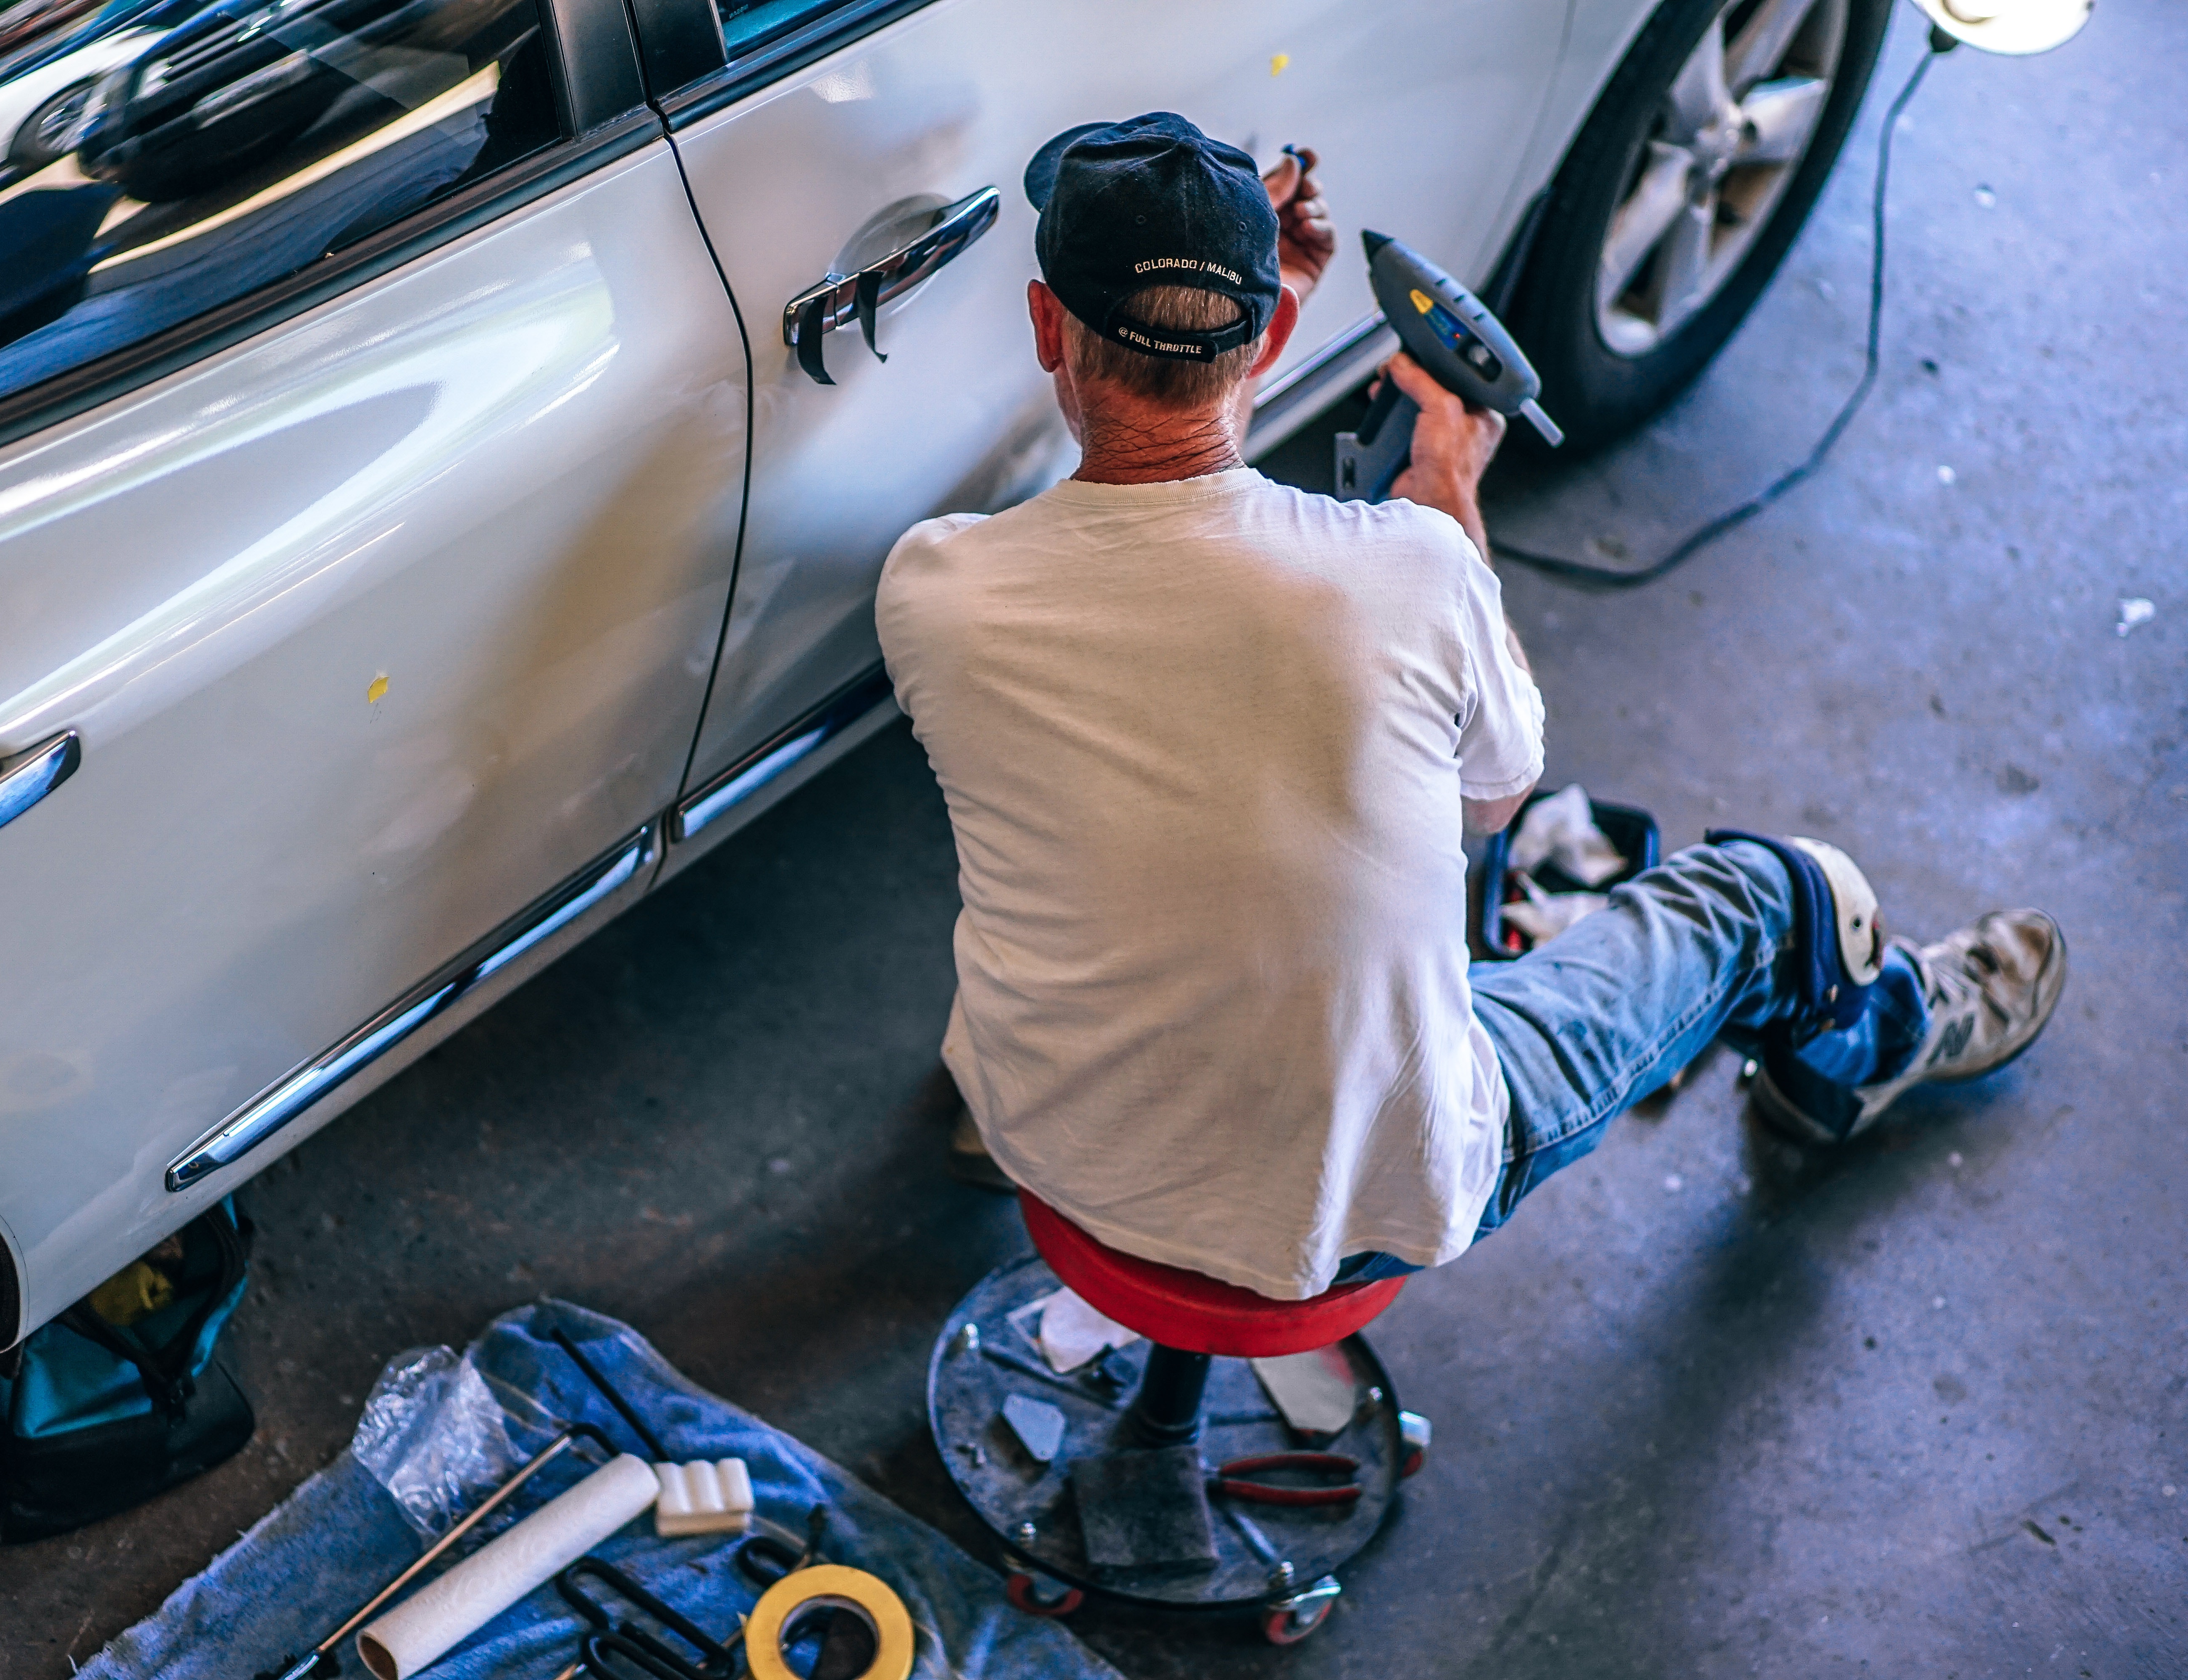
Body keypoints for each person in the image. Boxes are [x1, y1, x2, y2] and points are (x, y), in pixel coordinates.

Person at [875, 113, 2067, 1301]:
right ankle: (1877, 1046)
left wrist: (1231, 354)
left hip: (1052, 1134)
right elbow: (1494, 803)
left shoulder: (936, 589)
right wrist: (1446, 487)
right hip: (1350, 1209)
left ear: (1045, 325)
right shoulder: (1413, 571)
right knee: (1770, 895)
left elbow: (1149, 516)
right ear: (1277, 333)